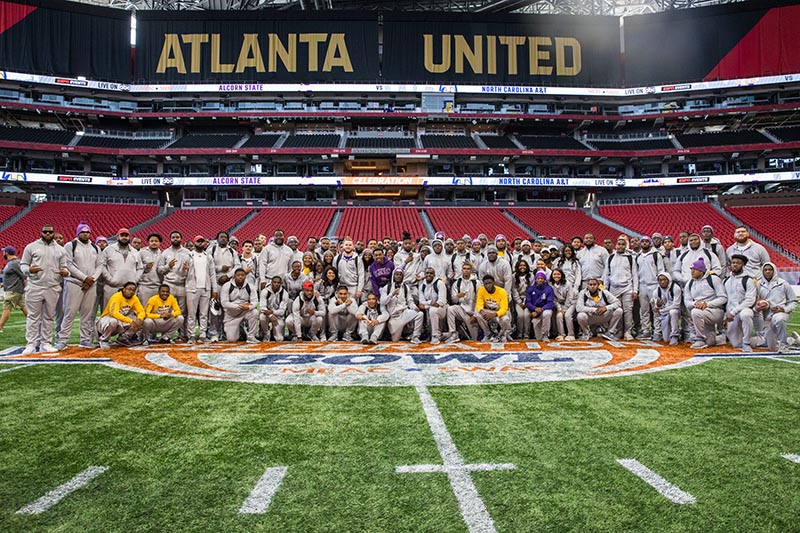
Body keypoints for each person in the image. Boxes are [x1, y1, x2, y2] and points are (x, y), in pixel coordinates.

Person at [20, 224, 69, 354]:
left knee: (48, 317)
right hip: (35, 286)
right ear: (41, 232)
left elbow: (65, 267)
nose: (48, 234)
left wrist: (65, 273)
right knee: (33, 316)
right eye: (45, 232)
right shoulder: (31, 247)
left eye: (50, 232)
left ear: (53, 233)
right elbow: (23, 264)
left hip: (53, 286)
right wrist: (28, 270)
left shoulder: (60, 250)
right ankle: (31, 343)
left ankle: (45, 343)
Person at [57, 222, 102, 349]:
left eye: (87, 232)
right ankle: (62, 340)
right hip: (74, 283)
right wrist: (84, 278)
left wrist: (92, 279)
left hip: (91, 285)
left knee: (87, 314)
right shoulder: (70, 245)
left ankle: (85, 339)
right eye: (82, 232)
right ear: (78, 233)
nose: (85, 234)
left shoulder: (95, 247)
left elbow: (100, 265)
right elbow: (69, 264)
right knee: (69, 313)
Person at [684, 258, 727, 350]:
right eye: (691, 269)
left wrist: (707, 304)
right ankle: (720, 338)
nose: (692, 271)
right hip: (701, 312)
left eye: (694, 269)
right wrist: (695, 303)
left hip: (715, 311)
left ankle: (699, 339)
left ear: (701, 270)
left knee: (695, 312)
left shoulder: (714, 279)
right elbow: (687, 302)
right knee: (710, 342)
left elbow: (723, 298)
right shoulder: (689, 283)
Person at [755, 262, 797, 353]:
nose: (768, 272)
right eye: (765, 270)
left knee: (779, 319)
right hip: (767, 317)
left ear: (774, 271)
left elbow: (793, 301)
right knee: (771, 346)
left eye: (770, 269)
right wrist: (758, 306)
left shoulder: (783, 283)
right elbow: (755, 300)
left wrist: (784, 309)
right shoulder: (759, 284)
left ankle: (784, 346)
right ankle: (792, 339)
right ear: (762, 271)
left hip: (780, 313)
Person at [157, 231, 192, 341]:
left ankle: (183, 335)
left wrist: (187, 269)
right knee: (167, 310)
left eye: (177, 237)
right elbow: (159, 269)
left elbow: (193, 268)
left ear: (181, 239)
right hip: (169, 284)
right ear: (170, 239)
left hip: (182, 284)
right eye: (173, 237)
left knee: (182, 312)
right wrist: (168, 266)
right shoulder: (165, 253)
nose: (175, 239)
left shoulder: (187, 252)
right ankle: (166, 336)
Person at [603, 236, 638, 341]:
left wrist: (635, 290)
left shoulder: (631, 258)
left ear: (626, 246)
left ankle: (628, 332)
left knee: (628, 311)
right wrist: (605, 289)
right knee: (617, 310)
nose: (620, 246)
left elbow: (635, 275)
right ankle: (618, 331)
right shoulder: (610, 258)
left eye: (623, 244)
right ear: (616, 245)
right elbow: (606, 274)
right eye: (619, 244)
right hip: (614, 288)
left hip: (627, 288)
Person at [100, 228, 143, 309]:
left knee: (128, 314)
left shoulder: (135, 252)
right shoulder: (108, 250)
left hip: (130, 289)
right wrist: (110, 279)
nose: (124, 237)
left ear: (129, 237)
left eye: (126, 236)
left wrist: (134, 280)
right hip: (112, 287)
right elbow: (102, 266)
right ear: (117, 237)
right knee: (109, 312)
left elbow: (140, 268)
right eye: (122, 235)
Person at [96, 281, 145, 350]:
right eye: (129, 289)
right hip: (106, 320)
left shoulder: (134, 298)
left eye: (133, 290)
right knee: (114, 321)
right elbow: (114, 313)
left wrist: (139, 319)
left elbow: (141, 311)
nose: (131, 292)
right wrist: (130, 321)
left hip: (119, 321)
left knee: (139, 321)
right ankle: (104, 339)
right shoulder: (116, 296)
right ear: (124, 289)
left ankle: (124, 338)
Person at [723, 254, 757, 353]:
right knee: (736, 344)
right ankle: (762, 339)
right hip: (731, 313)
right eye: (733, 263)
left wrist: (734, 311)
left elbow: (750, 300)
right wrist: (726, 315)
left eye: (738, 263)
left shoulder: (748, 280)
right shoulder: (727, 280)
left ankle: (746, 343)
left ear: (743, 265)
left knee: (745, 314)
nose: (735, 265)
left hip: (744, 309)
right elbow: (725, 299)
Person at [185, 235, 216, 343]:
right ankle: (191, 335)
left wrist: (214, 289)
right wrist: (185, 270)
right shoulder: (189, 255)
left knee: (204, 314)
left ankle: (203, 335)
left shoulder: (208, 256)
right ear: (194, 243)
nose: (201, 243)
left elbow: (212, 274)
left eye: (202, 241)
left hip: (206, 288)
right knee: (191, 314)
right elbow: (183, 272)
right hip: (192, 288)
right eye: (198, 241)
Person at [382, 267, 423, 343]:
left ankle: (415, 336)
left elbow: (410, 301)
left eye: (400, 275)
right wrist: (391, 294)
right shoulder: (386, 288)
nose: (398, 276)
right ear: (393, 276)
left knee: (419, 314)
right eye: (397, 274)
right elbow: (383, 302)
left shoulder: (405, 287)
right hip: (394, 316)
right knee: (395, 340)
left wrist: (414, 307)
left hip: (404, 313)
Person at [637, 235, 666, 341]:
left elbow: (661, 271)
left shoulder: (656, 255)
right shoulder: (638, 256)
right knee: (644, 310)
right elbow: (636, 273)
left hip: (654, 285)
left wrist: (660, 287)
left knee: (656, 309)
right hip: (642, 285)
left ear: (650, 243)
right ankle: (646, 331)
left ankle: (657, 331)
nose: (644, 243)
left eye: (646, 241)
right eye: (643, 241)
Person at [219, 268, 259, 343]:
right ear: (234, 276)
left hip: (245, 312)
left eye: (242, 275)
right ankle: (241, 330)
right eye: (238, 275)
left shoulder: (250, 286)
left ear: (245, 276)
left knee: (255, 312)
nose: (240, 277)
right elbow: (224, 303)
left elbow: (255, 301)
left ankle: (251, 336)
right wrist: (239, 306)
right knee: (232, 340)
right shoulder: (227, 286)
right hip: (231, 316)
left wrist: (249, 307)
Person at [446, 262, 479, 343]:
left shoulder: (477, 283)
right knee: (450, 309)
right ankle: (453, 333)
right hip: (462, 309)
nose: (466, 271)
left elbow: (479, 300)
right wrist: (458, 296)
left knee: (475, 339)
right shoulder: (457, 283)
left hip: (472, 312)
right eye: (464, 269)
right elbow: (454, 300)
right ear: (461, 270)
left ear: (471, 270)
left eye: (468, 269)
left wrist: (475, 315)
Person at [475, 274, 511, 343]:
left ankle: (503, 334)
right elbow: (479, 304)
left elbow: (504, 309)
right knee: (478, 314)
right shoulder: (481, 290)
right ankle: (488, 334)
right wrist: (483, 312)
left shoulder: (502, 291)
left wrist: (494, 314)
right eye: (486, 284)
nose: (488, 285)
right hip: (489, 311)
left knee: (505, 319)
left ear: (493, 283)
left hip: (499, 313)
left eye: (490, 283)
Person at [0, 246, 27, 333]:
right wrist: (3, 284)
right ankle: (35, 324)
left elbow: (24, 276)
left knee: (7, 307)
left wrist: (28, 288)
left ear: (7, 253)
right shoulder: (11, 263)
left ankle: (0, 326)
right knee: (23, 307)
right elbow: (13, 276)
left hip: (14, 290)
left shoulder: (15, 263)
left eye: (4, 252)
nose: (3, 253)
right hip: (12, 289)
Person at [418, 266, 447, 344]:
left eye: (431, 273)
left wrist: (427, 304)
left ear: (434, 274)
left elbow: (441, 302)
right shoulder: (422, 286)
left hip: (442, 309)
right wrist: (430, 302)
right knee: (431, 310)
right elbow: (421, 302)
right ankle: (442, 335)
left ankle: (435, 336)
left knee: (432, 310)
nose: (429, 275)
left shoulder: (440, 283)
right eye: (427, 273)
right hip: (430, 309)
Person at [653, 272, 682, 346]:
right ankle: (657, 332)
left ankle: (675, 335)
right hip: (664, 313)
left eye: (664, 280)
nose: (662, 282)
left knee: (673, 312)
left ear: (668, 280)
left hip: (676, 311)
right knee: (666, 339)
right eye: (660, 280)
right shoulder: (657, 291)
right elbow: (657, 308)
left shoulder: (676, 288)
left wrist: (662, 310)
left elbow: (676, 305)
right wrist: (658, 306)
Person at [333, 237, 365, 303]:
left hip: (353, 287)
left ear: (353, 246)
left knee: (353, 308)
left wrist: (359, 290)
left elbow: (361, 275)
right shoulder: (337, 258)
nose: (348, 246)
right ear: (343, 246)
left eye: (350, 245)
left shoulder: (357, 259)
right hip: (341, 287)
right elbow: (334, 273)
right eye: (346, 245)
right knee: (341, 308)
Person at [526, 271, 555, 342]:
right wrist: (534, 309)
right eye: (538, 278)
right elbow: (527, 302)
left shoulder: (549, 289)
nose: (540, 280)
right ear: (535, 279)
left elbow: (550, 303)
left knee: (547, 313)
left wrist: (541, 309)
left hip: (545, 309)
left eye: (542, 278)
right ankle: (525, 334)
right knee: (538, 338)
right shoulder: (530, 289)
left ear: (544, 279)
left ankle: (545, 335)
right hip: (534, 311)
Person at [550, 268, 577, 341]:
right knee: (559, 315)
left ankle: (571, 334)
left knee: (567, 315)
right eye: (554, 274)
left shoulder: (567, 283)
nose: (556, 276)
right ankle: (561, 334)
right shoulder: (551, 285)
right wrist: (559, 308)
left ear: (562, 275)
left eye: (558, 274)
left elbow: (570, 297)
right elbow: (553, 299)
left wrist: (565, 309)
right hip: (559, 303)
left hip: (571, 303)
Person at [259, 276, 289, 342]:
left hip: (278, 316)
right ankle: (266, 333)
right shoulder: (265, 291)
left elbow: (282, 311)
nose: (276, 284)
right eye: (274, 282)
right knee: (262, 317)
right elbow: (262, 307)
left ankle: (274, 331)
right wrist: (270, 315)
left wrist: (272, 312)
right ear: (271, 282)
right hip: (267, 315)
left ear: (281, 283)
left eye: (278, 282)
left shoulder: (284, 293)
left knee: (279, 339)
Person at [511, 259, 534, 339]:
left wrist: (526, 302)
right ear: (517, 267)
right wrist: (519, 302)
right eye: (520, 265)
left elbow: (531, 290)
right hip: (518, 300)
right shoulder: (514, 276)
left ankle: (526, 334)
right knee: (520, 315)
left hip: (529, 300)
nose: (522, 267)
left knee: (527, 315)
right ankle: (520, 333)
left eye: (524, 265)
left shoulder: (531, 276)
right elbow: (514, 290)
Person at [138, 233, 163, 307]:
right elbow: (136, 267)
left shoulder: (162, 254)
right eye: (151, 241)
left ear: (159, 243)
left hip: (158, 286)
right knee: (144, 309)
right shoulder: (141, 252)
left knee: (156, 310)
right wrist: (145, 267)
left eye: (156, 241)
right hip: (144, 286)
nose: (154, 243)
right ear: (148, 242)